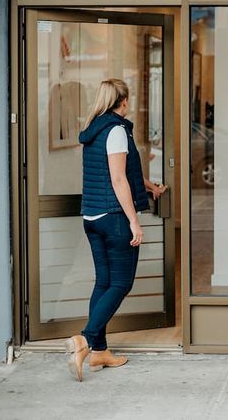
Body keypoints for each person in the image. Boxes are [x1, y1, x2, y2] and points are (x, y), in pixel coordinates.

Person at [64, 79, 166, 381]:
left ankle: (99, 352)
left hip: (92, 217)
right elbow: (119, 180)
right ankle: (85, 339)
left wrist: (148, 186)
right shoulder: (117, 131)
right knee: (121, 284)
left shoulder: (95, 128)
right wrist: (134, 220)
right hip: (115, 218)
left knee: (104, 282)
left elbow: (118, 173)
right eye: (129, 99)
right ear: (123, 100)